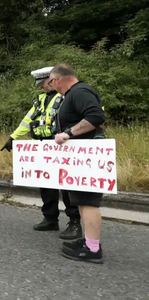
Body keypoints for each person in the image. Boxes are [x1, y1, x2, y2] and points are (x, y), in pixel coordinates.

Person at [0, 66, 82, 240]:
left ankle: (75, 222)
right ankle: (50, 218)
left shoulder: (67, 95)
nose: (41, 87)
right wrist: (13, 137)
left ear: (52, 80)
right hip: (43, 146)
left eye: (43, 83)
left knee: (67, 185)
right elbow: (28, 120)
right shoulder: (41, 99)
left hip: (63, 144)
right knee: (46, 183)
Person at [49, 63, 106, 264]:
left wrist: (68, 133)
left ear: (57, 80)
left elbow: (96, 116)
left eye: (51, 82)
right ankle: (89, 241)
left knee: (88, 201)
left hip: (87, 158)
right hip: (80, 157)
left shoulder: (79, 91)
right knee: (82, 200)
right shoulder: (75, 93)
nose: (52, 86)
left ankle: (93, 249)